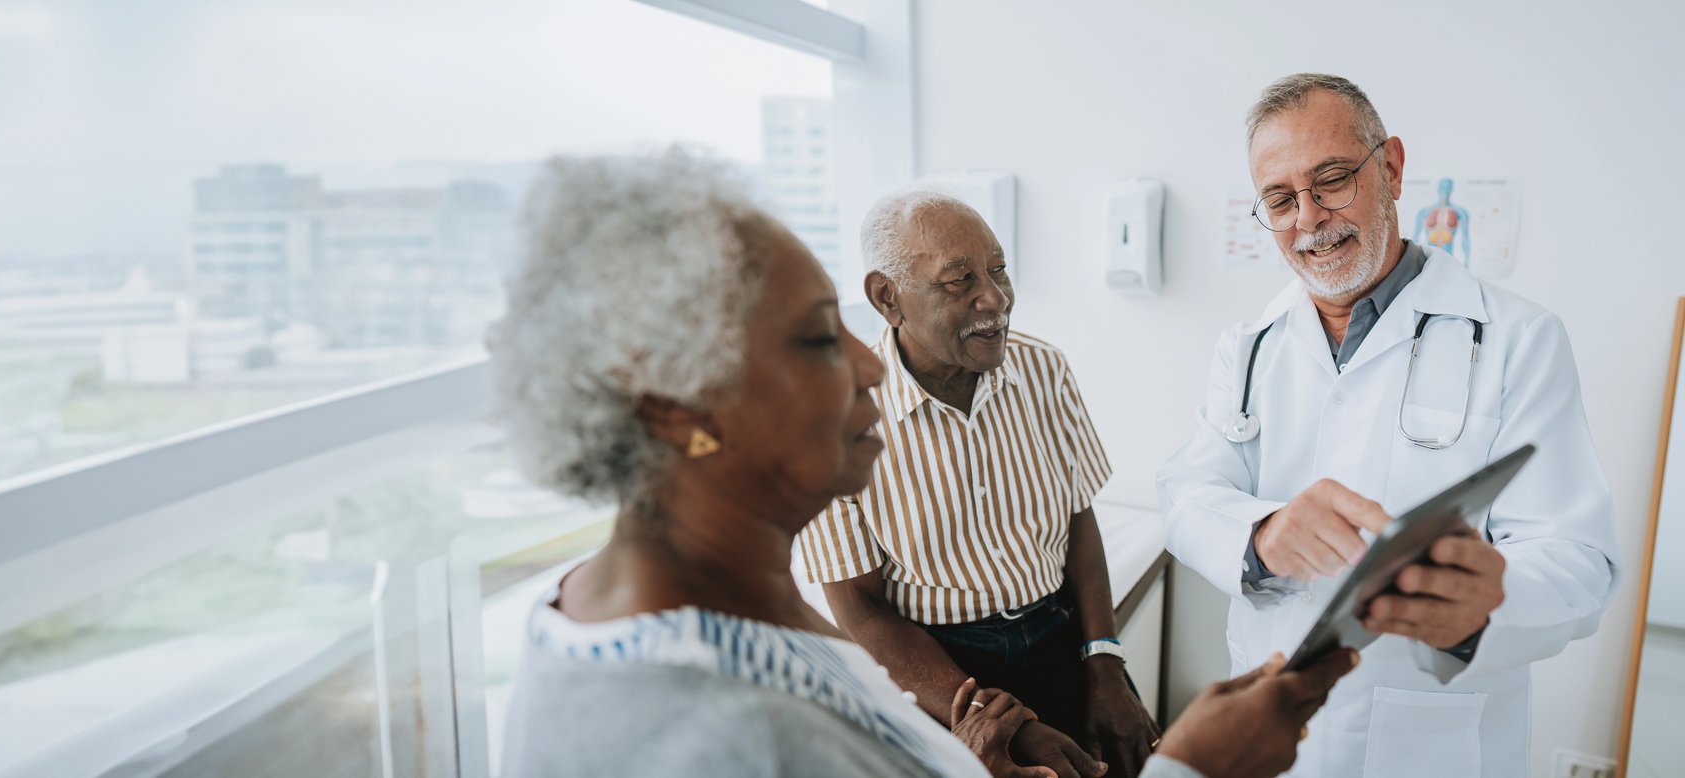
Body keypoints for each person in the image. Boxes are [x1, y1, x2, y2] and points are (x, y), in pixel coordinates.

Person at [492, 149, 1356, 778]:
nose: (868, 366)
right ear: (677, 408)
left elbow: (1069, 522)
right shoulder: (707, 730)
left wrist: (1072, 676)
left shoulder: (731, 625)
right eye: (814, 340)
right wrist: (1201, 767)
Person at [1157, 73, 1620, 777]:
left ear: (1393, 167)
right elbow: (1187, 494)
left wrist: (1488, 601)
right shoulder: (1248, 346)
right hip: (1272, 724)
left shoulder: (1519, 339)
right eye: (1280, 200)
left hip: (1430, 742)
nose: (1309, 218)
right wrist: (1262, 535)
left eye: (1332, 179)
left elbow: (1580, 562)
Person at [796, 190, 1154, 777]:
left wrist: (1105, 665)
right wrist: (990, 715)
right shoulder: (831, 416)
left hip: (1061, 638)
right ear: (888, 298)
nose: (997, 299)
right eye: (959, 280)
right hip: (935, 668)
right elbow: (859, 611)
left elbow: (1078, 520)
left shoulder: (1044, 370)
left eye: (999, 269)